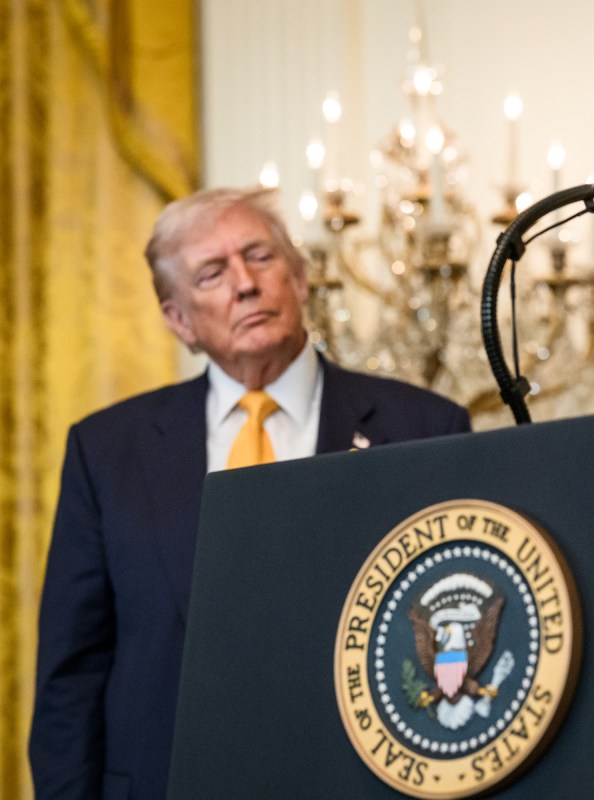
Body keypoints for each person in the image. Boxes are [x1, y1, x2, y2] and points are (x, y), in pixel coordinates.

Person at [29, 186, 471, 799]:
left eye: (260, 257)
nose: (244, 283)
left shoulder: (423, 428)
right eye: (212, 273)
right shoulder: (106, 451)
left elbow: (453, 622)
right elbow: (70, 679)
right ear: (178, 319)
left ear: (301, 276)